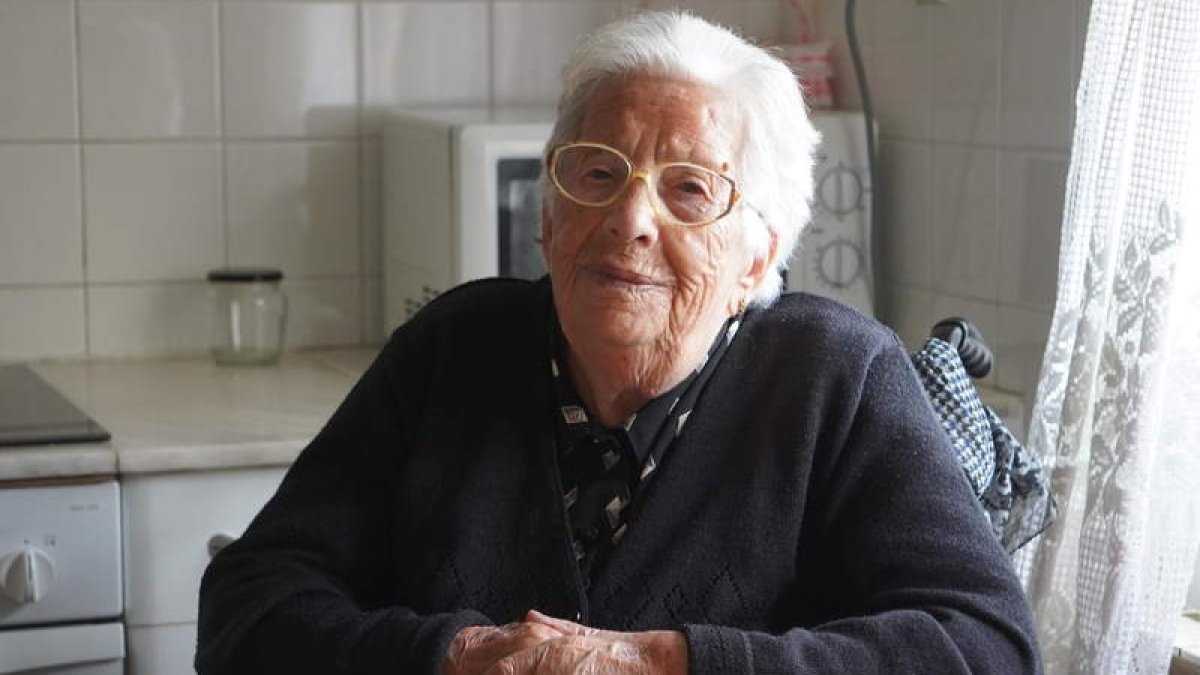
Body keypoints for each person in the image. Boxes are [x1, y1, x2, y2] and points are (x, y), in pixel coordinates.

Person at [196, 11, 1042, 674]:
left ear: (758, 256)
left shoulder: (836, 377)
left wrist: (667, 662)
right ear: (548, 215)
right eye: (598, 172)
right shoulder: (454, 349)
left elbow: (987, 647)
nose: (630, 218)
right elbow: (247, 603)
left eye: (690, 189)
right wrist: (453, 656)